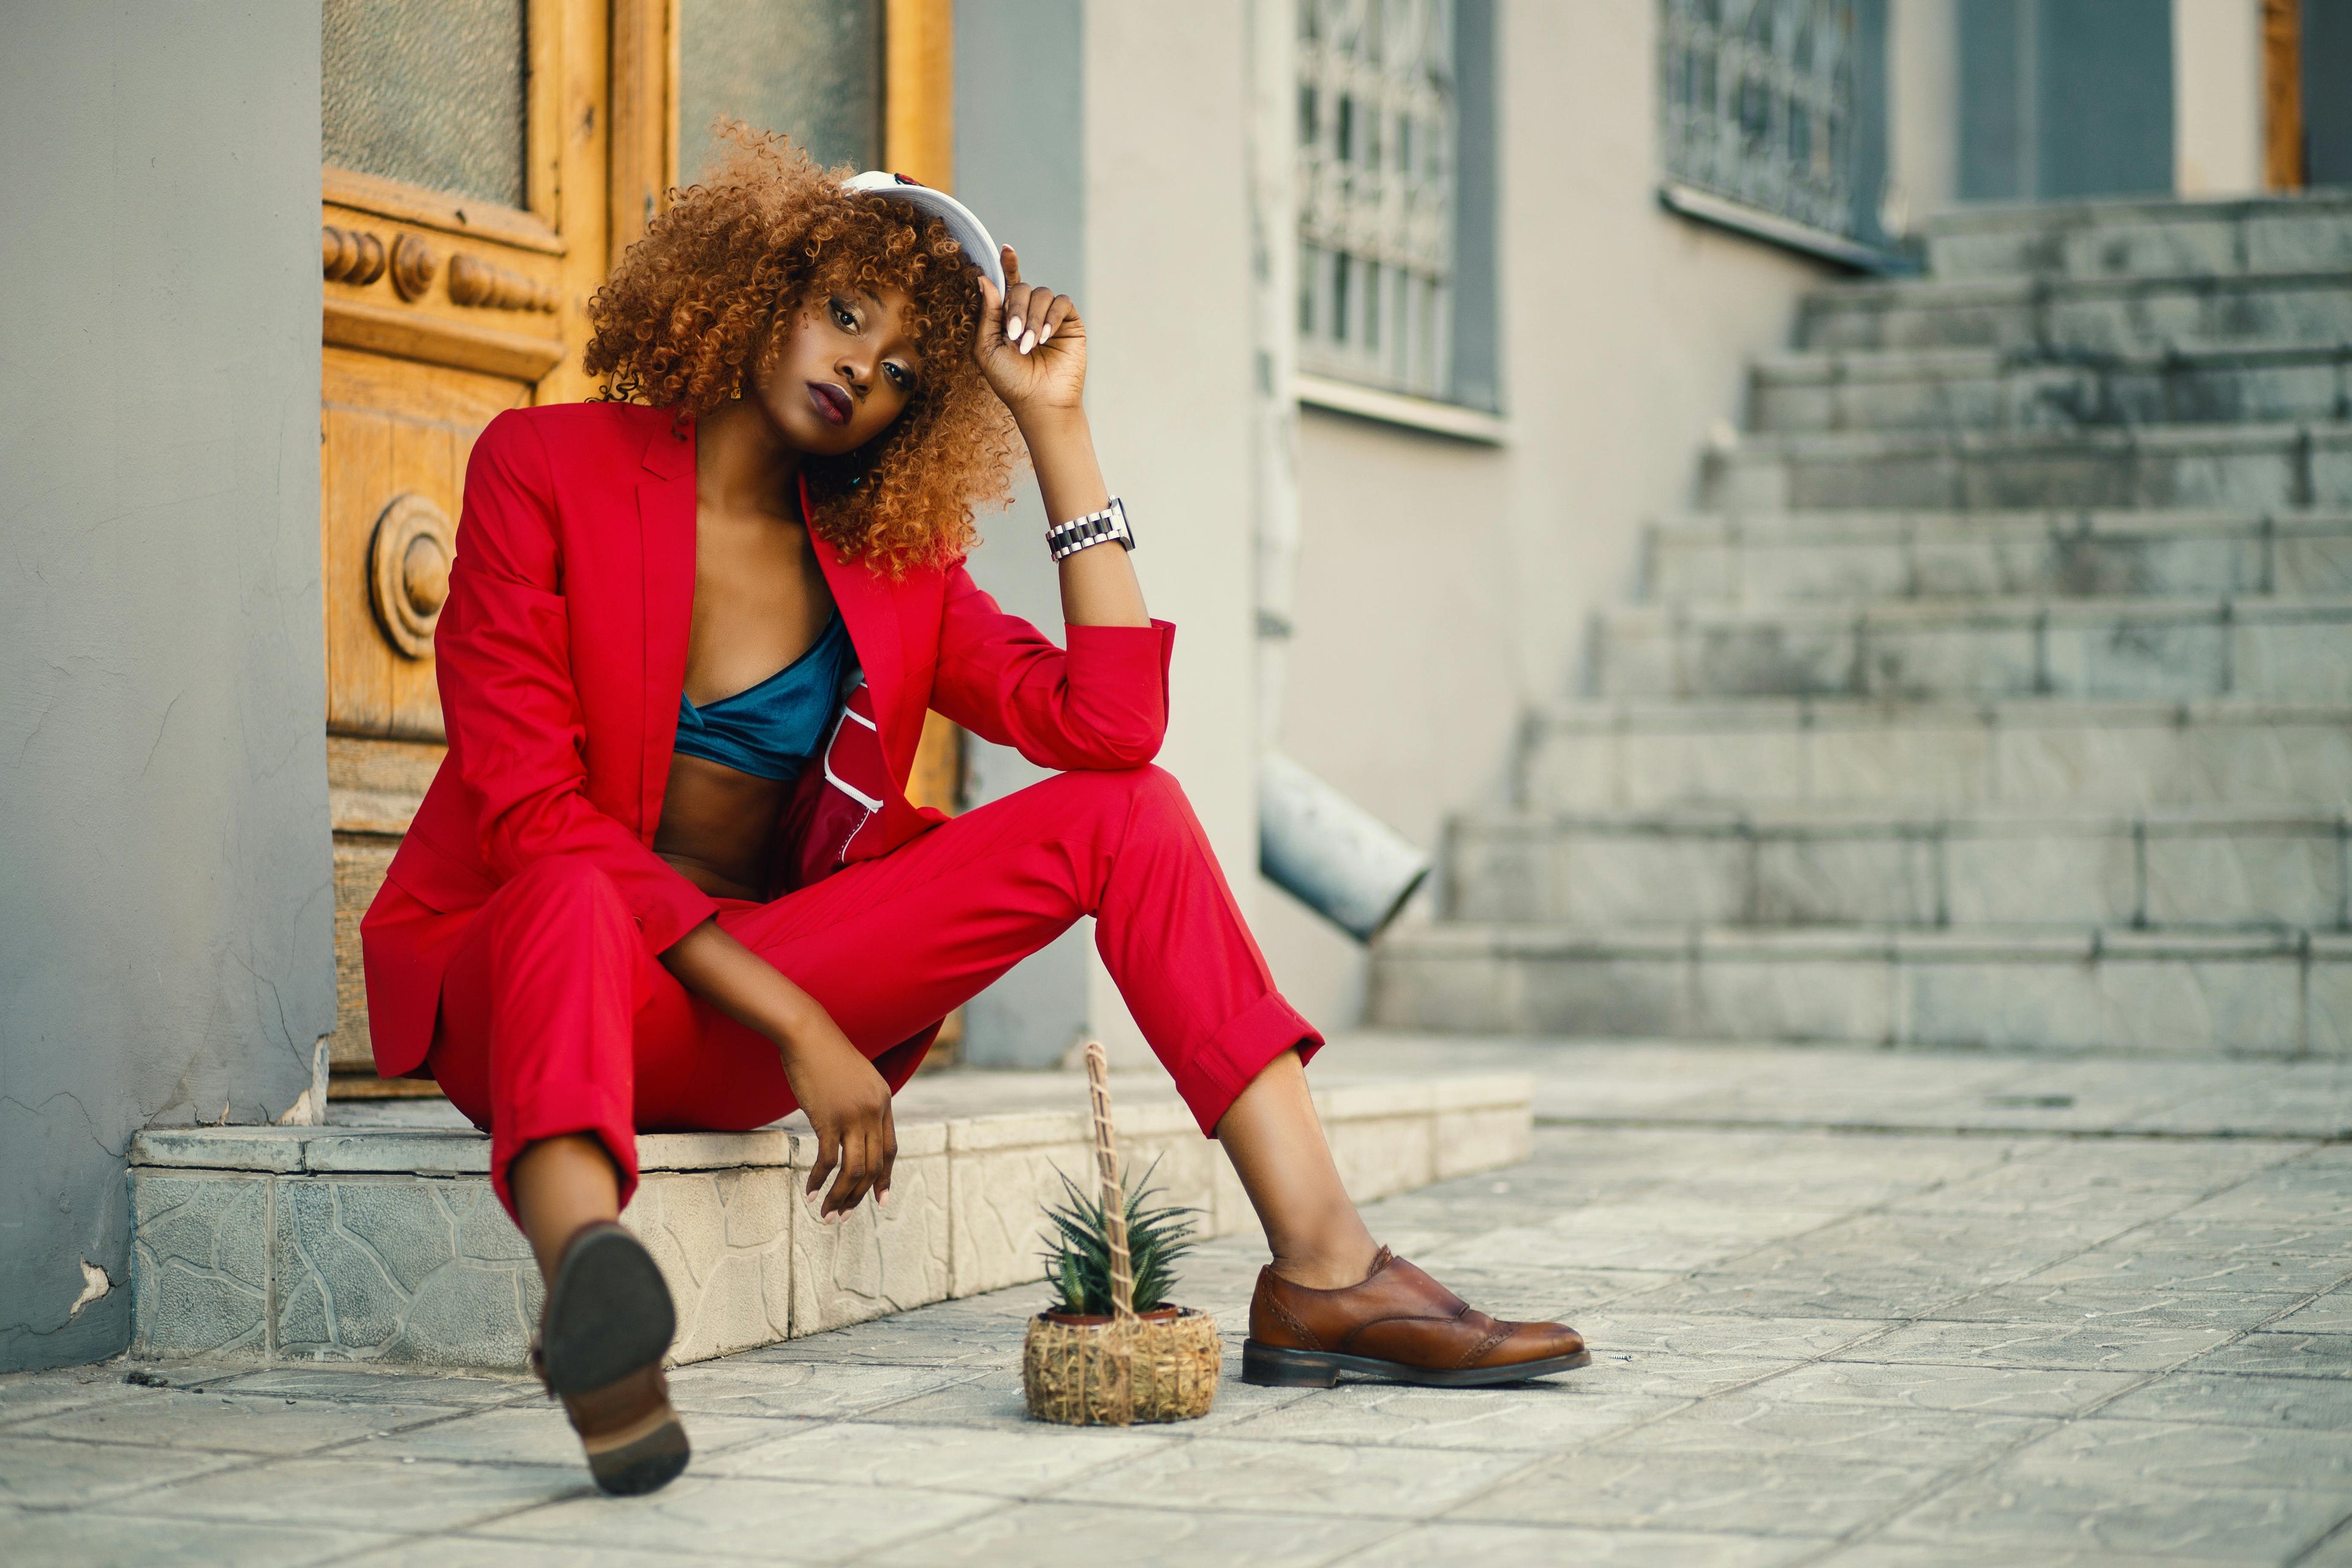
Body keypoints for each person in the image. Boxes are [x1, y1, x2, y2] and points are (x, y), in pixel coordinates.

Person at [360, 130, 1586, 1496]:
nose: (855, 372)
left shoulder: (896, 570)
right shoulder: (545, 465)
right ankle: (598, 1314)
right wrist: (801, 1023)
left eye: (900, 373)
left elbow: (1113, 729)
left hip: (729, 1003)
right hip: (541, 976)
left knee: (1135, 812)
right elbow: (533, 813)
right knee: (578, 885)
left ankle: (1328, 1267)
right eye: (842, 315)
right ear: (772, 280)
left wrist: (1057, 425)